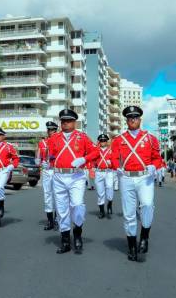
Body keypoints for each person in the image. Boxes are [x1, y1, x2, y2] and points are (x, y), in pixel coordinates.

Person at [109, 106, 164, 262]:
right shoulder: (119, 140)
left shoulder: (150, 138)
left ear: (140, 119)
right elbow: (113, 158)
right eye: (130, 118)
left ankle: (145, 235)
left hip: (144, 177)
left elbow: (157, 158)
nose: (132, 120)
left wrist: (154, 166)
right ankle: (132, 245)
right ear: (126, 120)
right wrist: (116, 167)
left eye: (135, 117)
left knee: (147, 205)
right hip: (126, 178)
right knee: (129, 214)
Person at [46, 109, 98, 254]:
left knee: (77, 205)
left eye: (68, 121)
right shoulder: (53, 138)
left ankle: (77, 232)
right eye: (63, 121)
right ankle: (65, 241)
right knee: (62, 210)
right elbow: (51, 156)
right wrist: (48, 163)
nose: (65, 123)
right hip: (59, 176)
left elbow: (96, 152)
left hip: (76, 176)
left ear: (74, 122)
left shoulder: (82, 137)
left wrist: (84, 159)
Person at [36, 122, 58, 230]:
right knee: (47, 195)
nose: (50, 132)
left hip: (56, 171)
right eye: (49, 130)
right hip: (46, 171)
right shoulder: (42, 143)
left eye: (52, 130)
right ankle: (50, 221)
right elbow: (38, 156)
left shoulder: (60, 142)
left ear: (56, 131)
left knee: (58, 195)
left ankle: (58, 219)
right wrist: (38, 161)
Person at [92, 134, 115, 219]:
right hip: (99, 172)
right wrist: (93, 167)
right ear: (99, 141)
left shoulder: (111, 150)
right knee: (100, 192)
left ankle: (110, 202)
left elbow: (115, 160)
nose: (103, 142)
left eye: (104, 140)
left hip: (108, 172)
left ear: (107, 141)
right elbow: (93, 159)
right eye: (101, 141)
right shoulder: (96, 150)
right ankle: (102, 211)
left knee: (109, 187)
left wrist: (111, 164)